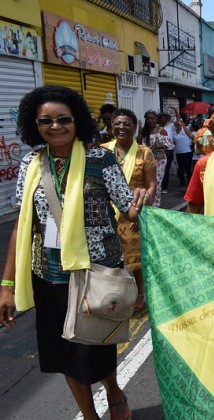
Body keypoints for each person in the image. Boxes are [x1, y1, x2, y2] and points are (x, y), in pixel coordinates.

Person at [0, 85, 148, 420]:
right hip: (50, 275)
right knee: (65, 351)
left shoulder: (101, 159)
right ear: (33, 124)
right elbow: (24, 226)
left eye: (63, 119)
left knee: (97, 344)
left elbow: (128, 208)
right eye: (45, 121)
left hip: (97, 271)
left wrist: (140, 200)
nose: (55, 127)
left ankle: (114, 391)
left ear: (77, 120)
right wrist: (6, 285)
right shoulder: (31, 164)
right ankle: (90, 416)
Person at [102, 108, 157, 313]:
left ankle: (140, 293)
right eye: (117, 123)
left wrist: (144, 207)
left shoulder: (145, 152)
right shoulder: (103, 151)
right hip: (108, 215)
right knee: (111, 259)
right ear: (111, 126)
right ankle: (114, 295)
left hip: (134, 213)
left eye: (127, 124)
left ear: (135, 128)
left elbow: (151, 184)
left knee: (136, 259)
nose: (121, 127)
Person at [139, 110, 172, 206]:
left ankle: (156, 204)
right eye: (148, 118)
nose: (150, 120)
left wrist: (156, 147)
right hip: (146, 159)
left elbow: (169, 144)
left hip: (159, 160)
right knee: (146, 182)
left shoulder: (161, 130)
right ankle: (147, 202)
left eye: (152, 118)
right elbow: (139, 144)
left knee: (156, 183)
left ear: (156, 119)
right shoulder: (143, 131)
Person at [171, 116, 195, 187]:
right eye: (177, 123)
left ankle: (190, 181)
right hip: (178, 152)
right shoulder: (173, 132)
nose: (178, 124)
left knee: (187, 167)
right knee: (180, 168)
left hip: (187, 151)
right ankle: (182, 181)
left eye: (179, 123)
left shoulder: (186, 129)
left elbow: (191, 129)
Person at [158, 111, 175, 194]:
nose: (163, 120)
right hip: (158, 151)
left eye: (165, 118)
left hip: (168, 150)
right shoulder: (156, 128)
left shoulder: (170, 126)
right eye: (161, 118)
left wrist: (175, 110)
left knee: (166, 169)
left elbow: (179, 122)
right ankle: (158, 185)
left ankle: (164, 187)